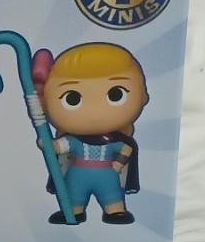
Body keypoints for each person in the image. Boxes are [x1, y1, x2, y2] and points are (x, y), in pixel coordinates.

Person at [32, 43, 149, 224]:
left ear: (142, 96)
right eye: (72, 98)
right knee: (74, 194)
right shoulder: (73, 141)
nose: (94, 111)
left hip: (107, 175)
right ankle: (74, 210)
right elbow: (58, 147)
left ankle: (115, 211)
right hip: (78, 174)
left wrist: (117, 165)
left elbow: (126, 149)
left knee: (111, 195)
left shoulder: (112, 141)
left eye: (116, 94)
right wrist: (46, 143)